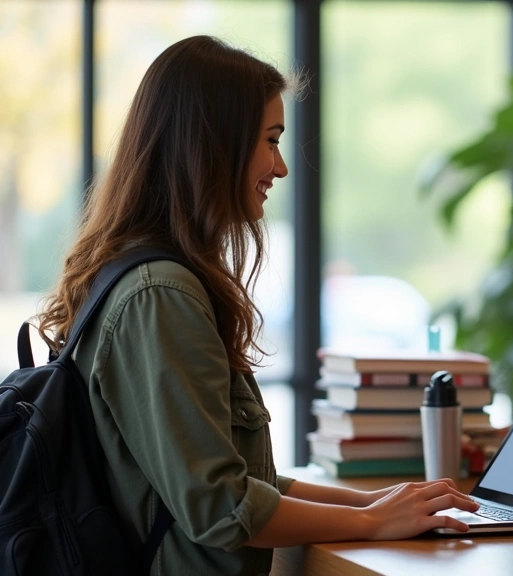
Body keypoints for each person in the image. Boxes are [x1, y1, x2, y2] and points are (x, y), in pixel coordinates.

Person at [35, 36, 478, 575]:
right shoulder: (161, 296)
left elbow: (246, 480)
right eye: (270, 141)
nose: (282, 167)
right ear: (212, 145)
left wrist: (375, 502)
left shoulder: (144, 279)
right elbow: (222, 507)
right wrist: (374, 524)